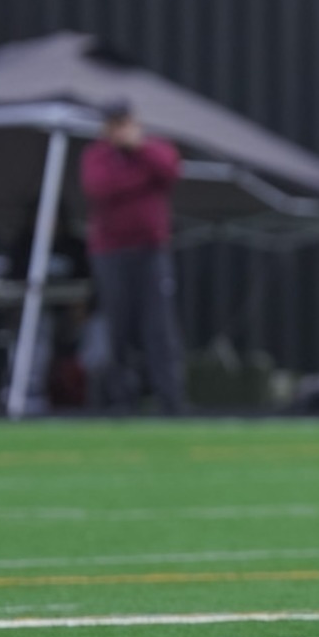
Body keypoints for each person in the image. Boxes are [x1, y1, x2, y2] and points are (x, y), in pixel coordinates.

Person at [79, 99, 185, 414]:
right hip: (111, 254)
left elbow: (169, 170)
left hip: (151, 252)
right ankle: (120, 401)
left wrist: (139, 149)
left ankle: (171, 401)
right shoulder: (97, 156)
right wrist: (140, 178)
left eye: (124, 123)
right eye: (114, 125)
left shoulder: (154, 149)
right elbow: (100, 188)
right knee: (117, 328)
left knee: (159, 328)